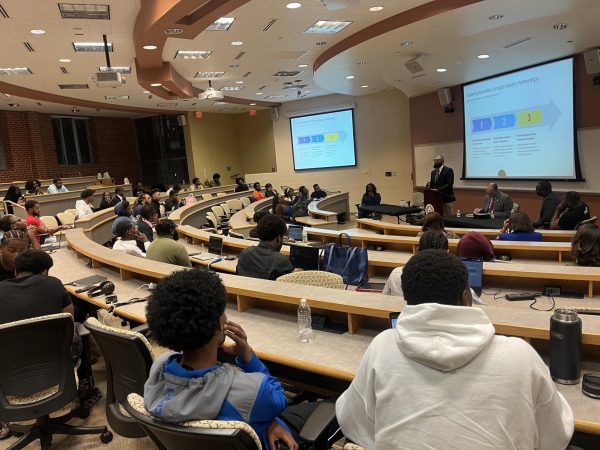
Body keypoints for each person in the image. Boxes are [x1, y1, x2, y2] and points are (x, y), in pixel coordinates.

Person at [336, 249, 574, 450]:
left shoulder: (382, 346)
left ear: (406, 300)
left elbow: (353, 423)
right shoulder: (521, 356)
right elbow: (555, 437)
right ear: (467, 298)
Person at [144, 269, 308, 450]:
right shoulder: (252, 392)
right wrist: (248, 355)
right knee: (328, 406)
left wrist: (268, 422)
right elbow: (278, 397)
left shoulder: (159, 366)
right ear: (218, 325)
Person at [383, 230, 483, 303]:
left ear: (418, 250)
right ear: (447, 253)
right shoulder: (455, 278)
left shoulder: (396, 274)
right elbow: (478, 306)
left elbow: (384, 299)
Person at [0, 250, 73, 323]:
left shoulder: (1, 287)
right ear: (45, 271)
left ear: (15, 271)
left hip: (11, 334)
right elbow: (70, 319)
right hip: (54, 334)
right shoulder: (54, 283)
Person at [237, 214, 294, 280]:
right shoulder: (281, 260)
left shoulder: (245, 253)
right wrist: (295, 275)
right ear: (278, 238)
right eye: (283, 238)